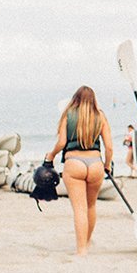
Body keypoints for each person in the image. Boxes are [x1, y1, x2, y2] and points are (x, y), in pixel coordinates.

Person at [42, 85, 114, 256]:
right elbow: (109, 147)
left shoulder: (68, 115)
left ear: (75, 99)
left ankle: (81, 250)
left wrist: (50, 156)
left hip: (74, 162)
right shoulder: (100, 116)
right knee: (91, 206)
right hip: (95, 163)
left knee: (79, 209)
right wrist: (107, 164)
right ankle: (87, 243)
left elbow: (61, 143)